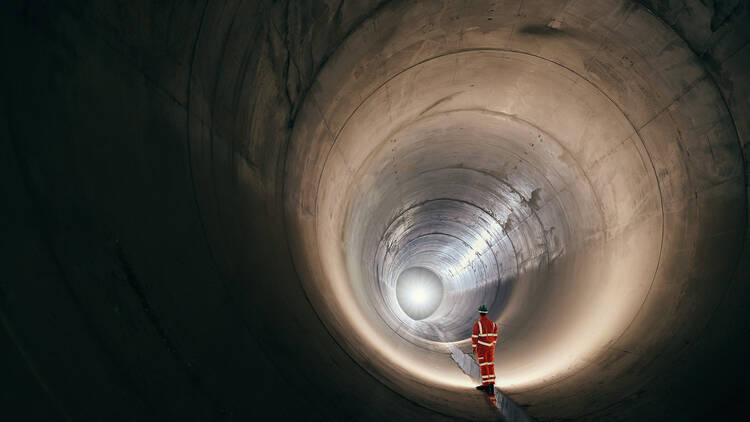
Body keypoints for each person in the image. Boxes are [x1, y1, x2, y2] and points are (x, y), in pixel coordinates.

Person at [472, 305, 498, 395]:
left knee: (484, 366)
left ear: (479, 312)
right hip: (490, 347)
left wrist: (474, 347)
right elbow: (495, 336)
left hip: (482, 347)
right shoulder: (493, 324)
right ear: (486, 313)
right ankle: (491, 385)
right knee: (490, 365)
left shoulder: (478, 324)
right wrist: (492, 344)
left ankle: (487, 386)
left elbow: (475, 336)